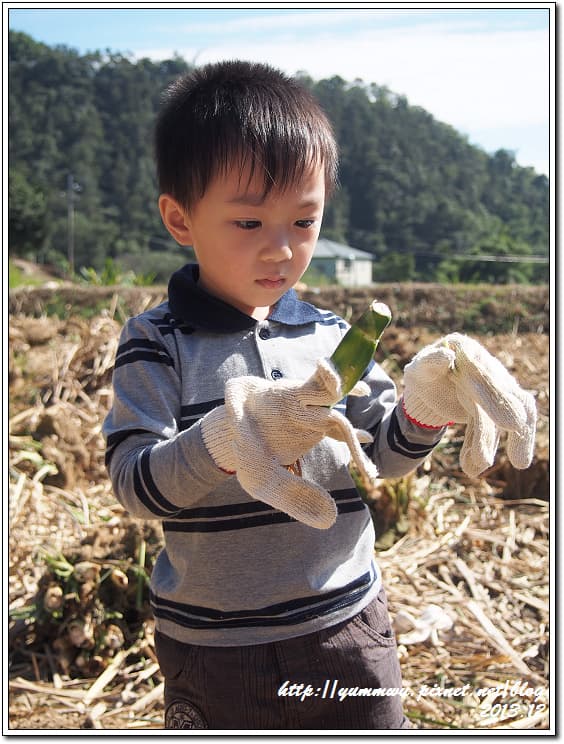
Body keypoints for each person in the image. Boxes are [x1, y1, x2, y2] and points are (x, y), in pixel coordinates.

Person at [103, 60, 536, 731]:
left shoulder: (335, 338)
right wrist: (225, 438)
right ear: (179, 218)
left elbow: (381, 457)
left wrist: (425, 408)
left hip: (346, 629)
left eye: (303, 223)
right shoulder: (158, 344)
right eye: (249, 224)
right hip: (215, 652)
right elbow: (134, 485)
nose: (280, 250)